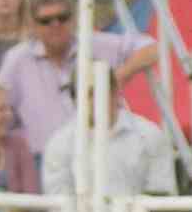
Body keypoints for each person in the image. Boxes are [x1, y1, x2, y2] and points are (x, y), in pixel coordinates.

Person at [0, 0, 157, 157]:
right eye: (46, 20)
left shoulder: (96, 43)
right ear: (34, 25)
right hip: (43, 157)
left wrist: (118, 76)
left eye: (62, 18)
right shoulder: (16, 60)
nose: (55, 25)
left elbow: (153, 48)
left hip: (102, 154)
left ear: (73, 19)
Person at [39, 78, 174, 199]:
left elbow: (160, 193)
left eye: (97, 92)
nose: (92, 101)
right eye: (85, 95)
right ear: (74, 100)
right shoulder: (59, 143)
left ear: (115, 92)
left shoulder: (149, 135)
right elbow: (57, 203)